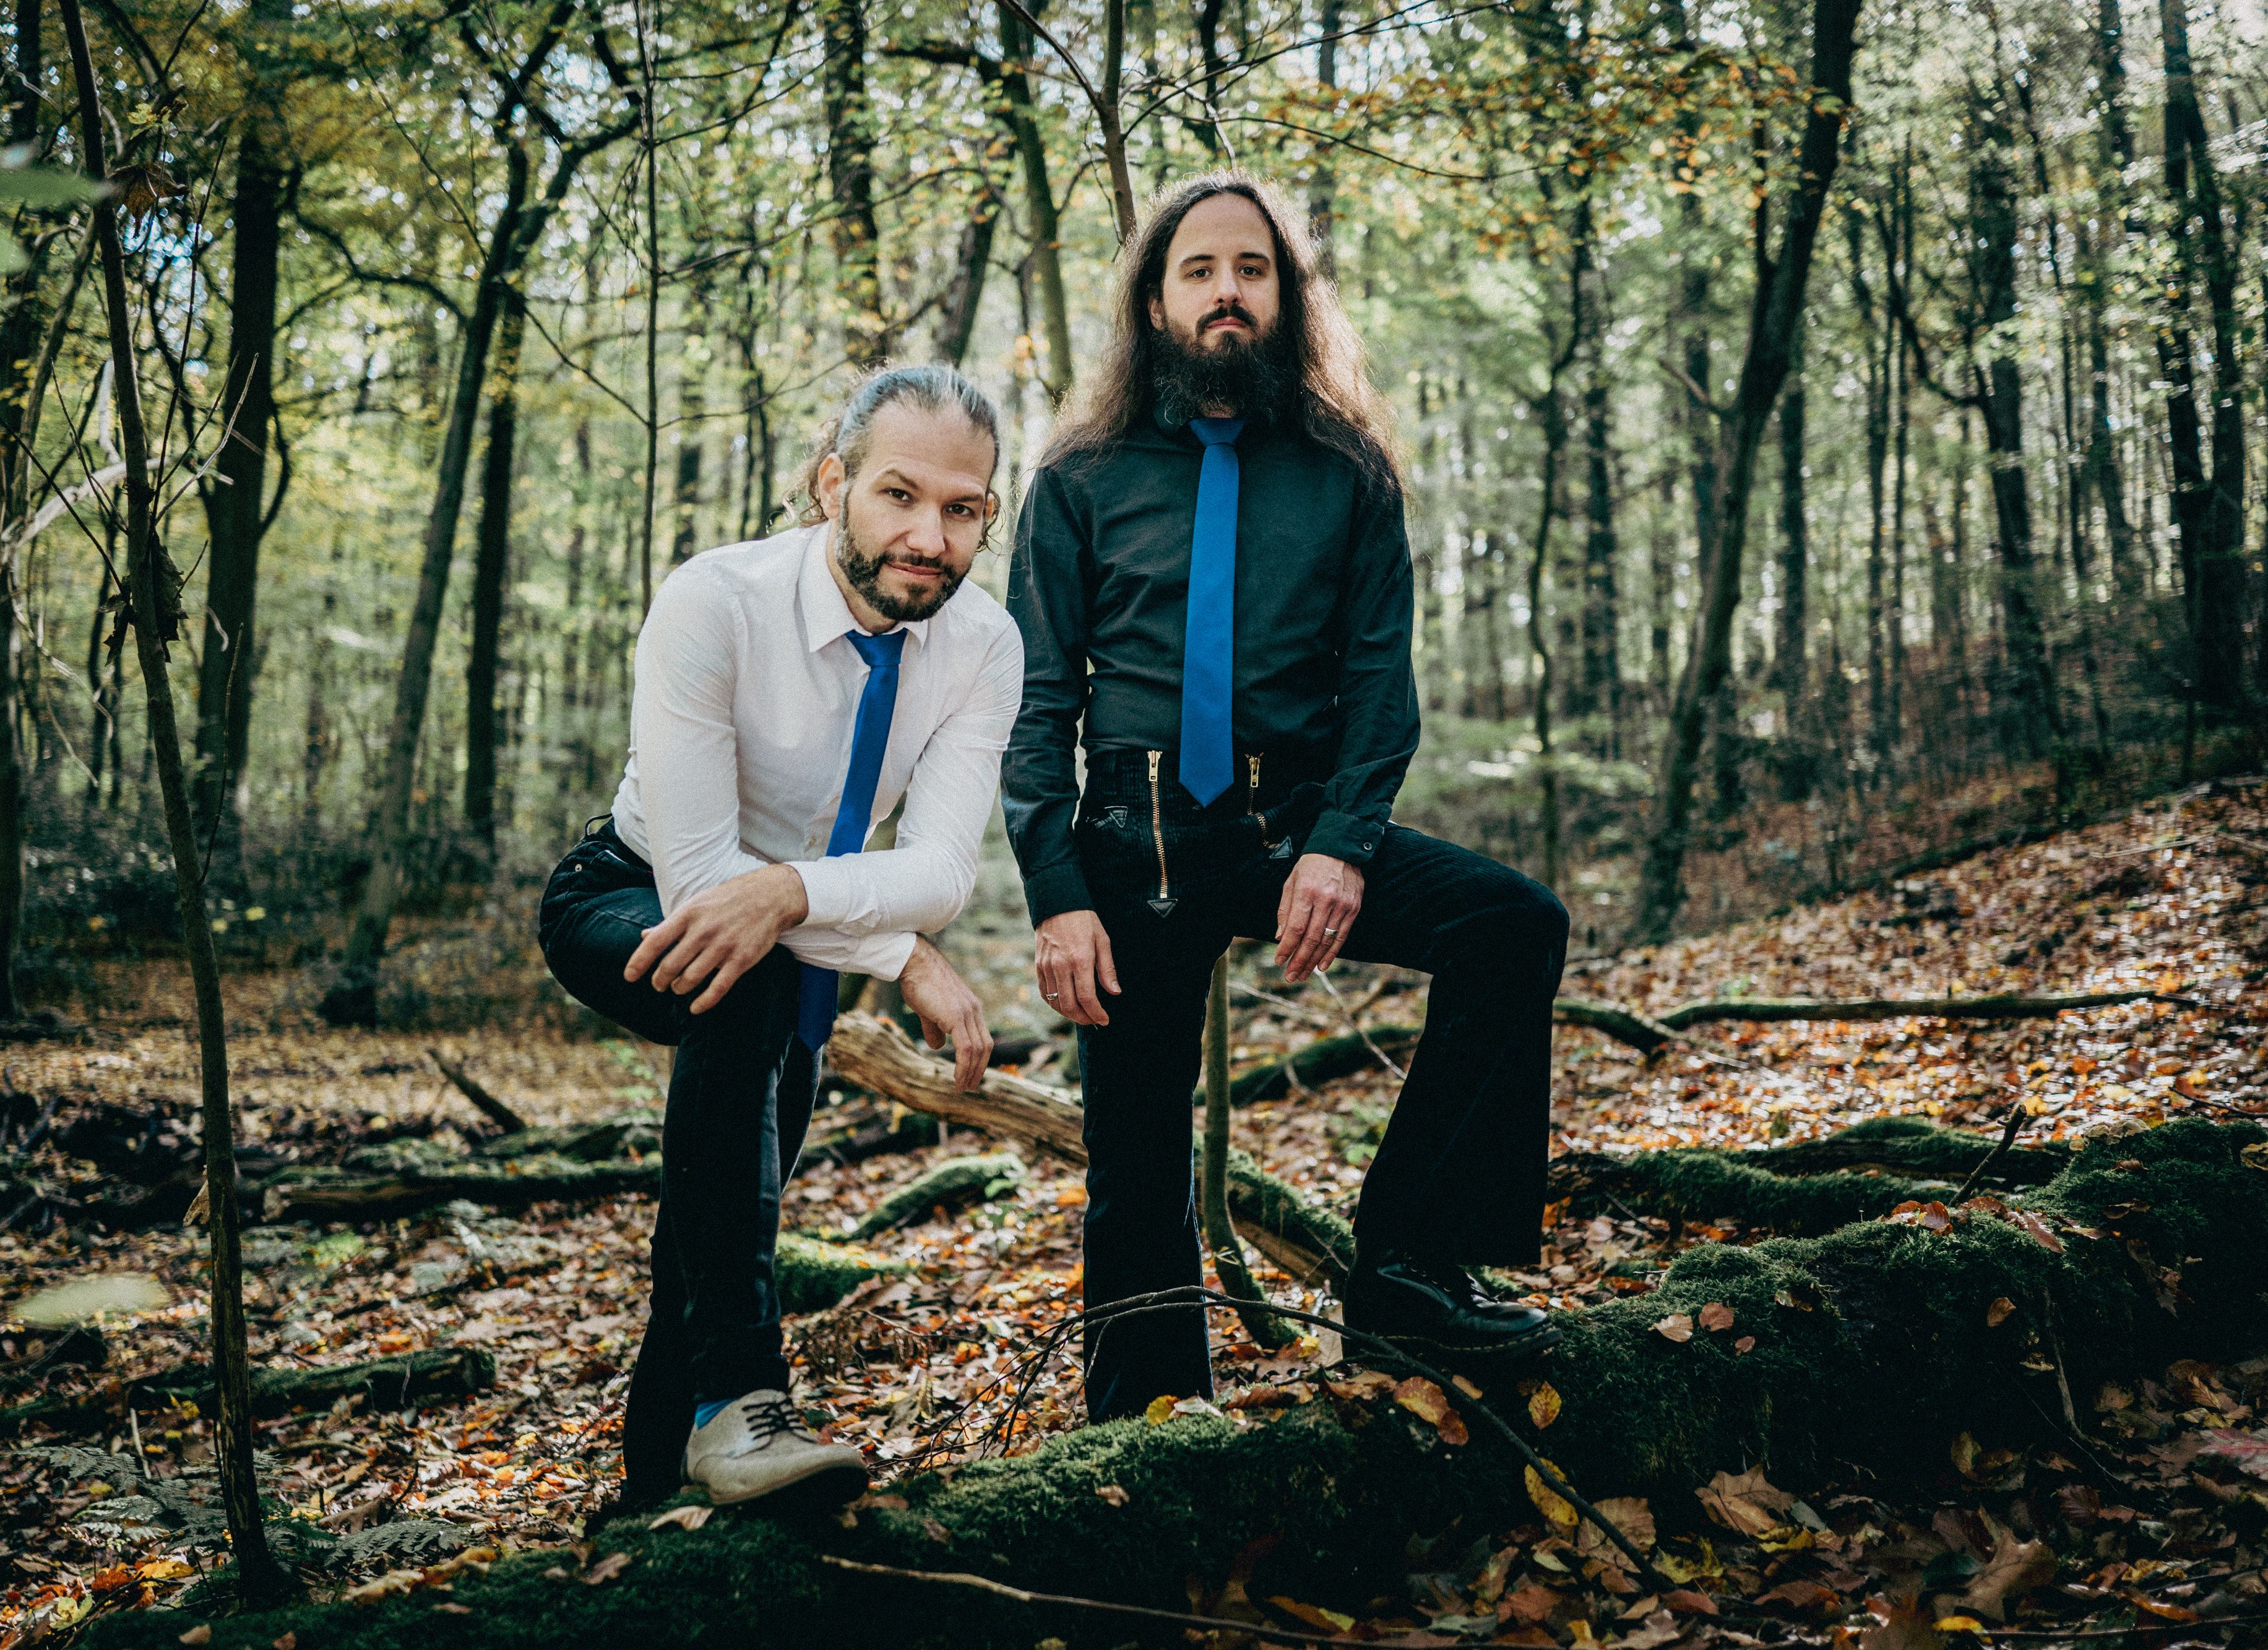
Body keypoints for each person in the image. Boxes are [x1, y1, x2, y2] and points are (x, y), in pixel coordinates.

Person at [1002, 171, 1571, 1424]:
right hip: (1127, 846)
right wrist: (1053, 896)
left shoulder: (1345, 472)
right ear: (1154, 302)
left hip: (1284, 832)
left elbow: (1379, 682)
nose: (1225, 292)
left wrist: (1342, 845)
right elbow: (1031, 704)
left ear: (1286, 296)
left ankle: (1408, 1271)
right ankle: (1149, 1441)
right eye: (1198, 270)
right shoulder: (1078, 478)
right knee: (1134, 1168)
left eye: (1250, 270)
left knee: (1510, 925)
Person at [540, 364, 1023, 1508]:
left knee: (724, 1210)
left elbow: (942, 871)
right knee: (742, 992)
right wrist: (899, 952)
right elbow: (706, 885)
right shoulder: (716, 602)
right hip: (625, 889)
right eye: (899, 495)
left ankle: (656, 1490)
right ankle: (746, 1403)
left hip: (802, 939)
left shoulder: (984, 646)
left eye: (964, 511)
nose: (929, 536)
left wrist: (841, 912)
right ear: (831, 485)